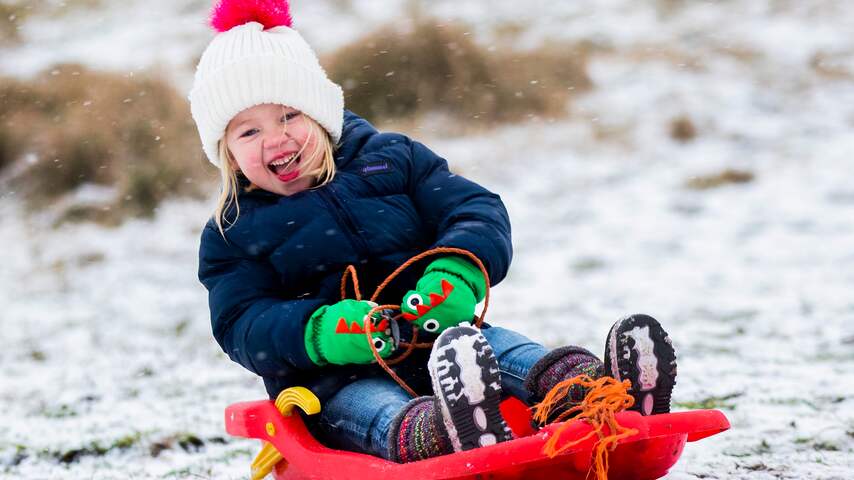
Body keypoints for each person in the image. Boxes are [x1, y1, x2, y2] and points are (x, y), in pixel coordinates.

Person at [190, 0, 677, 463]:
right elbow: (242, 322)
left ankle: (603, 393)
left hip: (450, 340)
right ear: (227, 152)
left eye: (289, 115)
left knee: (505, 351)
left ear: (320, 112)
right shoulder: (232, 231)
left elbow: (475, 208)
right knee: (374, 409)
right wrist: (319, 332)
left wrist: (459, 270)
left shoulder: (391, 159)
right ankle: (442, 432)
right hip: (336, 382)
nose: (275, 137)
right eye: (247, 131)